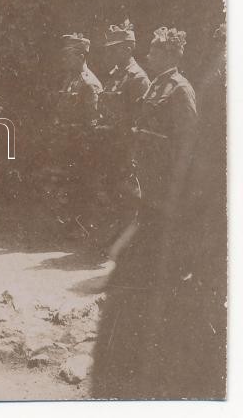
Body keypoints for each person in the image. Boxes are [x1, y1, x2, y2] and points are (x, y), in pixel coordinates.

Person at [92, 26, 199, 399]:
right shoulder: (156, 85)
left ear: (169, 54)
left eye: (154, 51)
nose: (148, 55)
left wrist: (176, 188)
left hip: (165, 184)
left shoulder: (181, 88)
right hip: (148, 180)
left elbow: (187, 143)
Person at [97, 20, 150, 259]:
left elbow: (141, 120)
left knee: (129, 198)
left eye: (115, 48)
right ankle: (114, 243)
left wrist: (133, 151)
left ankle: (128, 249)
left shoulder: (137, 78)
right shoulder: (115, 75)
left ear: (128, 48)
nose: (110, 53)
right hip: (110, 146)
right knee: (113, 194)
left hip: (126, 147)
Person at [48, 33, 104, 230]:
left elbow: (93, 121)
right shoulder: (70, 80)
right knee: (68, 186)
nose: (65, 59)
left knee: (82, 187)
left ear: (81, 56)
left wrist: (74, 136)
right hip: (67, 143)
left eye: (69, 55)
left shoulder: (89, 83)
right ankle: (71, 225)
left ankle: (82, 228)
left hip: (81, 146)